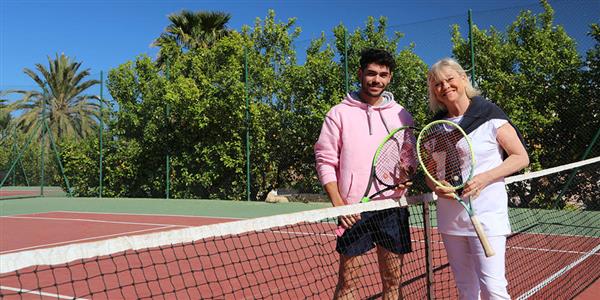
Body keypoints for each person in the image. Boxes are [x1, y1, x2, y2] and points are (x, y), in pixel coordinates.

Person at [425, 57, 529, 300]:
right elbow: (431, 174)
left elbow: (520, 157)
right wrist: (438, 186)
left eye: (450, 79)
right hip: (451, 219)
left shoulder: (489, 114)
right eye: (438, 84)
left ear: (463, 79)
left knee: (494, 289)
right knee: (466, 289)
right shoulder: (436, 127)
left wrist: (485, 178)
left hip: (487, 215)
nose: (445, 86)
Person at [314, 48, 414, 299]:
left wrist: (408, 172)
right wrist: (339, 205)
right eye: (371, 73)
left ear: (390, 78)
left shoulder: (402, 114)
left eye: (383, 75)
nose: (376, 80)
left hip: (392, 208)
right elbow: (325, 160)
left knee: (393, 283)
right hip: (353, 210)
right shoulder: (338, 113)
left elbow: (408, 156)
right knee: (348, 284)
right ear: (360, 73)